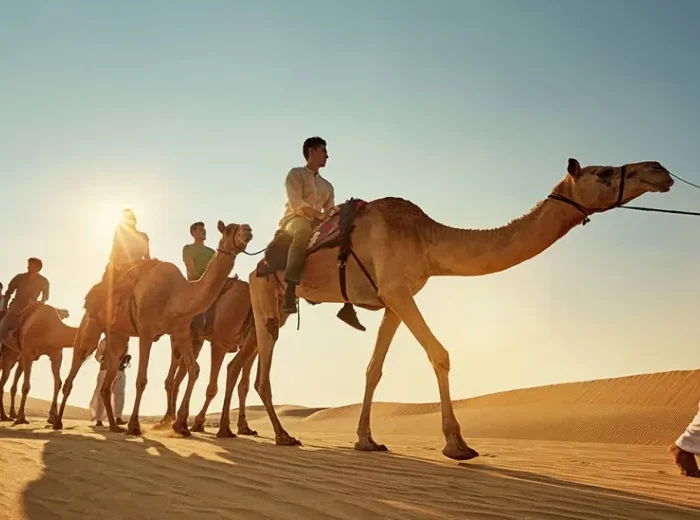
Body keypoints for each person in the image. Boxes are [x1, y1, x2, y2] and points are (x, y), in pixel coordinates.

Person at [279, 136, 364, 331]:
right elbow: (296, 204)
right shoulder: (296, 174)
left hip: (319, 223)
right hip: (294, 220)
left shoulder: (328, 186)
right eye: (323, 151)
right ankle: (290, 290)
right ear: (312, 152)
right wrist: (320, 216)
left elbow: (330, 209)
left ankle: (348, 306)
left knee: (345, 240)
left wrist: (337, 213)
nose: (327, 155)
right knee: (302, 233)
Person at [0, 257, 50, 344]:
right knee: (4, 326)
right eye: (29, 264)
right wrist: (5, 307)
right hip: (16, 305)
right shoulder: (19, 277)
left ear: (38, 268)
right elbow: (9, 292)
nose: (28, 266)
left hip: (32, 307)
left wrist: (40, 303)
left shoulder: (44, 281)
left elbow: (45, 296)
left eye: (31, 265)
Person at [182, 221, 216, 334]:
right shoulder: (188, 248)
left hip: (212, 287)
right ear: (193, 232)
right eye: (201, 230)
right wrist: (203, 283)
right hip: (195, 286)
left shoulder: (212, 252)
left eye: (204, 229)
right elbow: (191, 269)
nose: (204, 231)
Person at [89, 337, 130, 426]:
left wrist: (125, 359)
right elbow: (98, 355)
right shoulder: (105, 341)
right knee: (102, 394)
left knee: (120, 394)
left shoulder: (125, 341)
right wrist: (105, 360)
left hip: (120, 371)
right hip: (105, 371)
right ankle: (99, 420)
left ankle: (118, 417)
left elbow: (125, 355)